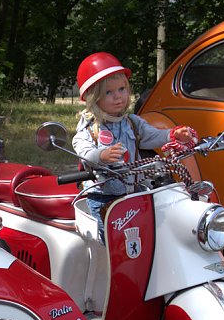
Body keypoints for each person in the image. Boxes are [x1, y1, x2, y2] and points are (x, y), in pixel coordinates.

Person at [72, 52, 197, 242]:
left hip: (132, 192)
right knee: (109, 243)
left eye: (122, 89)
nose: (118, 97)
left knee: (146, 236)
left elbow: (151, 136)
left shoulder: (132, 122)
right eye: (108, 92)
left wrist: (171, 135)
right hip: (103, 197)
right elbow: (83, 150)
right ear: (93, 97)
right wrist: (101, 155)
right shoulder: (90, 128)